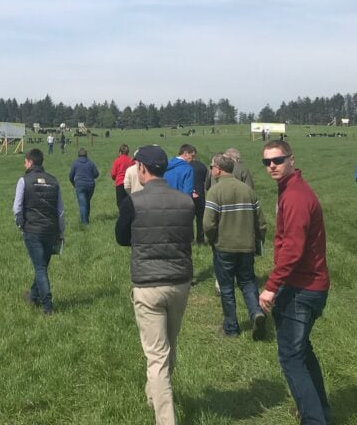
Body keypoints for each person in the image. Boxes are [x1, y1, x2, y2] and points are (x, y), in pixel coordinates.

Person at [114, 145, 193, 425]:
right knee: (169, 347)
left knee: (157, 356)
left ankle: (165, 419)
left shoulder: (131, 202)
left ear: (142, 169)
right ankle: (154, 394)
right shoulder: (186, 202)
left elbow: (122, 238)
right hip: (180, 282)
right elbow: (188, 238)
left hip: (148, 284)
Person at [258, 140, 331, 425]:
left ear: (291, 158)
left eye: (277, 160)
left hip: (303, 287)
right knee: (301, 352)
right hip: (306, 283)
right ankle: (320, 411)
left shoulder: (296, 196)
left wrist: (271, 286)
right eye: (267, 162)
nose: (272, 166)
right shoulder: (289, 190)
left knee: (291, 357)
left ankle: (314, 419)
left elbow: (293, 248)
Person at [204, 154, 267, 340]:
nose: (211, 170)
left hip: (224, 247)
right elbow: (261, 223)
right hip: (246, 247)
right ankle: (256, 312)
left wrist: (212, 239)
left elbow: (208, 224)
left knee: (226, 287)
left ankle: (231, 327)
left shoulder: (215, 191)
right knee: (248, 282)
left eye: (211, 167)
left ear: (218, 169)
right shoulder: (248, 190)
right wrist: (258, 242)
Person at [13, 148, 64, 315]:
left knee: (40, 267)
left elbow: (17, 207)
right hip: (51, 230)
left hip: (32, 230)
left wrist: (20, 224)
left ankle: (47, 305)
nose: (24, 164)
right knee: (42, 265)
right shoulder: (54, 181)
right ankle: (33, 296)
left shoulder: (24, 180)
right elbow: (60, 210)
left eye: (25, 161)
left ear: (30, 162)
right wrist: (61, 231)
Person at [68, 148, 99, 225]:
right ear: (86, 155)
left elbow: (71, 176)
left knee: (82, 204)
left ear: (78, 155)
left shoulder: (75, 163)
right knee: (87, 201)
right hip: (90, 185)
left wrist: (74, 183)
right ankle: (86, 218)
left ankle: (84, 223)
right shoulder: (91, 163)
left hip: (80, 185)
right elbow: (96, 174)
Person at [111, 144, 134, 209]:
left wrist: (115, 178)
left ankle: (123, 216)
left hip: (120, 183)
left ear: (120, 152)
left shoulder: (117, 161)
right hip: (129, 183)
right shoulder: (131, 161)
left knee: (120, 203)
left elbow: (113, 174)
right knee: (129, 202)